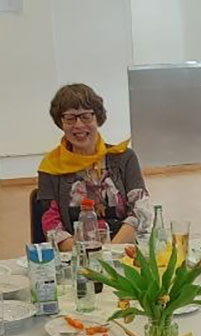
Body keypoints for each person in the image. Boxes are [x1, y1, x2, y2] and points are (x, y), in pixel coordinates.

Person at [36, 83, 147, 251]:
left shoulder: (125, 158)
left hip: (123, 251)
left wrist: (109, 251)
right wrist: (86, 255)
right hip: (75, 255)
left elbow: (140, 211)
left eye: (86, 116)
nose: (78, 125)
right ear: (61, 122)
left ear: (98, 118)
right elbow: (51, 223)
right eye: (70, 118)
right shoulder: (50, 166)